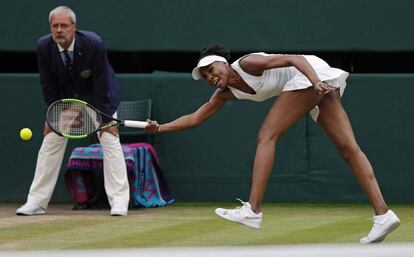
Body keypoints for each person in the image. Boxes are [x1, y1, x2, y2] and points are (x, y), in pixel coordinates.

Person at [145, 44, 400, 243]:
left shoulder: (248, 63)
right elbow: (196, 117)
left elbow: (294, 60)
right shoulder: (223, 94)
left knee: (267, 135)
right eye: (205, 76)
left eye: (211, 69)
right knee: (348, 149)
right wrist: (160, 127)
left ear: (223, 63)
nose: (210, 77)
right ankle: (383, 214)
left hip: (308, 73)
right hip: (314, 78)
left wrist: (314, 81)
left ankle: (253, 210)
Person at [16, 6, 130, 216]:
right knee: (51, 142)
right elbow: (47, 83)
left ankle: (119, 202)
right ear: (50, 28)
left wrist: (104, 118)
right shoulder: (43, 46)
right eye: (55, 26)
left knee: (109, 140)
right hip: (67, 100)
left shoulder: (93, 43)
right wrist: (53, 114)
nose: (59, 30)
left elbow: (101, 83)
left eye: (64, 26)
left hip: (99, 98)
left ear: (74, 27)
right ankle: (36, 202)